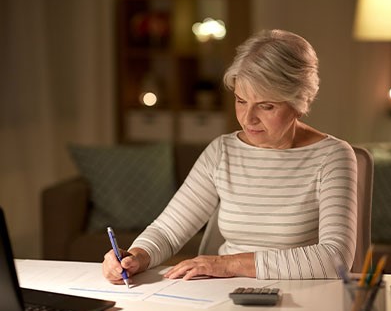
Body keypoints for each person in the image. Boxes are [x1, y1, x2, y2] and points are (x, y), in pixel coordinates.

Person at [102, 29, 357, 284]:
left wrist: (228, 264)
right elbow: (167, 231)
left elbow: (335, 258)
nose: (248, 118)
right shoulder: (222, 151)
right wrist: (135, 256)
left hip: (302, 296)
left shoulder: (332, 157)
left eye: (266, 106)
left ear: (300, 101)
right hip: (224, 294)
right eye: (241, 100)